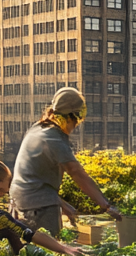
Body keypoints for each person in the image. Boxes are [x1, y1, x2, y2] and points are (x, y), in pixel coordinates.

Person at [8, 87, 122, 235]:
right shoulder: (54, 139)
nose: (76, 126)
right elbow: (76, 173)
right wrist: (106, 206)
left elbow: (35, 181)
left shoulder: (37, 129)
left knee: (27, 247)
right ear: (71, 117)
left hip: (18, 203)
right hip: (38, 209)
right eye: (77, 120)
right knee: (49, 247)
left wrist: (61, 204)